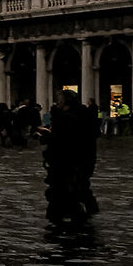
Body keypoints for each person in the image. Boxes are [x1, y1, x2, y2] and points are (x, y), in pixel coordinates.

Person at [40, 89, 99, 225]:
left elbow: (67, 140)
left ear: (66, 101)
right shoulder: (76, 116)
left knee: (67, 191)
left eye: (59, 100)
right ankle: (80, 214)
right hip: (71, 162)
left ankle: (74, 217)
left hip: (70, 163)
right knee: (74, 190)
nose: (57, 102)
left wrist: (47, 138)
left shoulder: (71, 118)